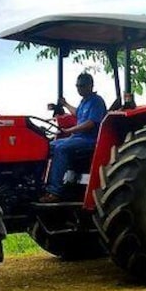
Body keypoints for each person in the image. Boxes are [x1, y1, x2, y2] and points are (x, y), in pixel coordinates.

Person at [39, 72, 107, 203]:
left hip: (90, 140)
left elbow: (90, 123)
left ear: (90, 85)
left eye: (82, 86)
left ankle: (54, 191)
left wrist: (69, 130)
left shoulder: (96, 101)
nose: (79, 89)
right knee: (48, 145)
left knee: (61, 148)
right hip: (77, 138)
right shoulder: (84, 101)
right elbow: (77, 113)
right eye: (77, 86)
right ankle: (40, 184)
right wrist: (65, 104)